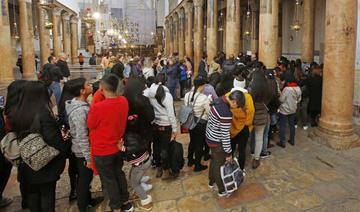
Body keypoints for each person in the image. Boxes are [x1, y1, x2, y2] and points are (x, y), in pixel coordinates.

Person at [9, 81, 68, 212]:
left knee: (33, 195)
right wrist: (62, 146)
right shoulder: (44, 114)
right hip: (45, 164)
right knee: (47, 195)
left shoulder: (18, 113)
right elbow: (54, 141)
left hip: (27, 162)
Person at [87, 74, 133, 212]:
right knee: (118, 173)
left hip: (102, 149)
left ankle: (116, 206)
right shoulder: (124, 101)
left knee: (109, 179)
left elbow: (90, 124)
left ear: (101, 88)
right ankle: (125, 200)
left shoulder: (98, 107)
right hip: (117, 146)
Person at [65, 78, 103, 212]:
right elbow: (82, 135)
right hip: (82, 151)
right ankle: (83, 206)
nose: (90, 86)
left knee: (86, 178)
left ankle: (88, 200)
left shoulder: (82, 104)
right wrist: (88, 158)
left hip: (84, 149)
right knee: (84, 180)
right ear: (82, 91)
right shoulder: (79, 111)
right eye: (87, 85)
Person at [205, 91, 243, 196]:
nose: (236, 108)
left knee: (214, 160)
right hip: (217, 141)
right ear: (234, 102)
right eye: (238, 105)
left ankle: (211, 181)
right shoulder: (226, 113)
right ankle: (222, 189)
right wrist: (228, 153)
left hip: (210, 136)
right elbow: (225, 135)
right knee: (220, 165)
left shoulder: (219, 100)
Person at [148, 73, 178, 179]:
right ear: (166, 82)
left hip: (155, 123)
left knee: (156, 146)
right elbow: (171, 114)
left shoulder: (149, 92)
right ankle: (165, 170)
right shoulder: (167, 96)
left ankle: (158, 167)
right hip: (165, 125)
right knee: (165, 148)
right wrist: (174, 129)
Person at [3, 80, 28, 208]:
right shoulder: (17, 112)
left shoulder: (10, 110)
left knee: (22, 175)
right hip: (22, 148)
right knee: (25, 175)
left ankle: (26, 200)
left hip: (18, 149)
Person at [226, 79, 255, 170]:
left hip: (231, 126)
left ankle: (229, 167)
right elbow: (251, 112)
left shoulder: (228, 96)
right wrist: (247, 125)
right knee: (242, 150)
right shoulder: (248, 97)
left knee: (231, 148)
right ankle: (241, 169)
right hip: (243, 128)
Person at [248, 70, 273, 169]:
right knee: (259, 137)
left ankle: (252, 151)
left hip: (252, 116)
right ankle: (256, 158)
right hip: (262, 117)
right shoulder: (268, 90)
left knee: (251, 135)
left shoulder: (250, 90)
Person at [184, 76, 210, 172]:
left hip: (190, 121)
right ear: (202, 86)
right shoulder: (203, 98)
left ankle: (190, 160)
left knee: (192, 141)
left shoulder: (187, 95)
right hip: (200, 123)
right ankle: (198, 165)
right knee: (199, 144)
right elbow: (209, 112)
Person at [277, 75, 302, 148]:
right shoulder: (298, 88)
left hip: (284, 110)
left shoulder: (287, 89)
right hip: (293, 109)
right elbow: (299, 99)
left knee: (283, 125)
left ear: (288, 82)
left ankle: (282, 141)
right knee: (291, 124)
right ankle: (292, 140)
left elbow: (281, 99)